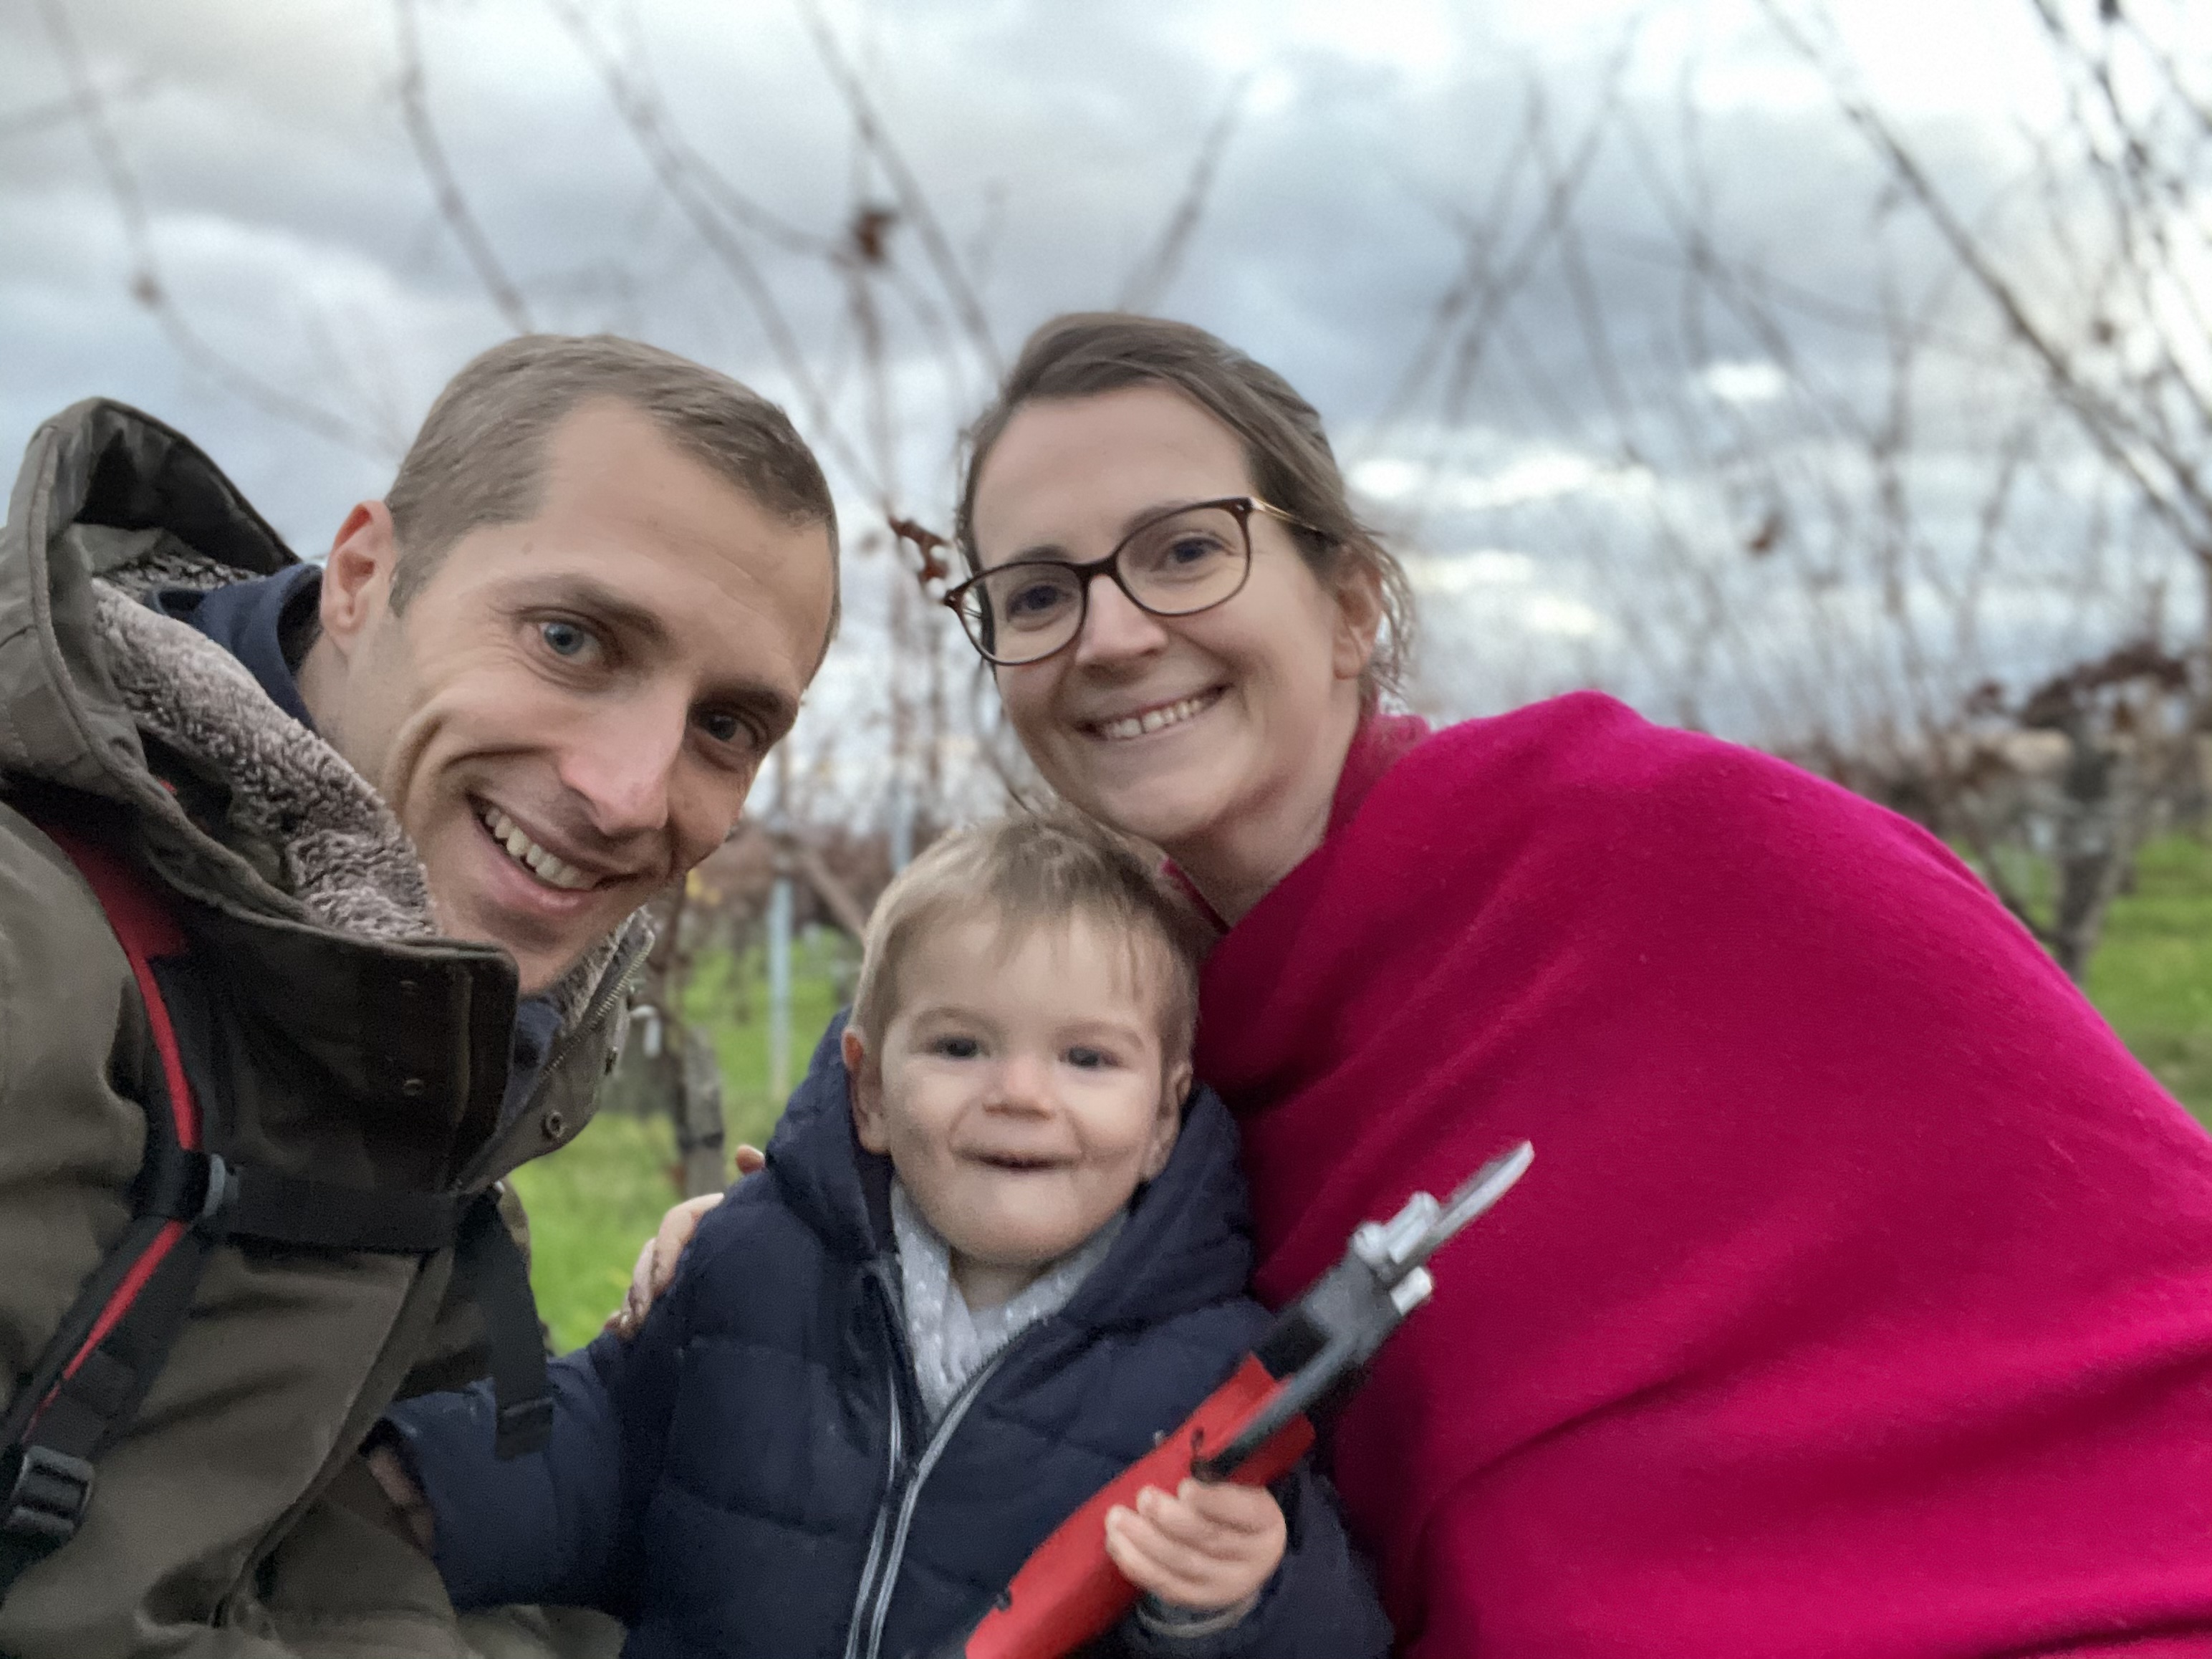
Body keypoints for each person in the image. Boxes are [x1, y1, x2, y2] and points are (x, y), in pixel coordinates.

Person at [640, 312, 2212, 1657]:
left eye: (1185, 551)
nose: (1109, 635)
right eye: (1036, 595)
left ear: (1347, 606)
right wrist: (790, 1240)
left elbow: (2137, 1260)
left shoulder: (1681, 849)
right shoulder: (1150, 1037)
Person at [0, 334, 840, 1659]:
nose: (631, 791)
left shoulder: (426, 1026)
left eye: (725, 727)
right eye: (570, 639)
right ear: (361, 575)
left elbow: (363, 1535)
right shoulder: (34, 949)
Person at [372, 814, 1393, 1659]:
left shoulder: (1211, 1384)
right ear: (865, 1089)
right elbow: (600, 1456)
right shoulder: (754, 1265)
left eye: (1086, 1058)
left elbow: (1336, 1641)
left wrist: (1239, 1603)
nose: (1021, 1096)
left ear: (1165, 1118)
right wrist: (425, 1481)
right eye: (960, 1045)